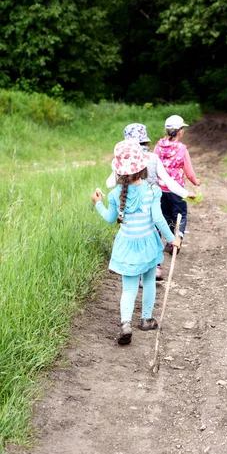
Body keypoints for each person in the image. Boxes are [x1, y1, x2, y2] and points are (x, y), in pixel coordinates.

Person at [92, 139, 181, 346]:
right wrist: (172, 239)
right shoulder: (152, 190)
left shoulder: (115, 195)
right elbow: (158, 219)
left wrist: (98, 204)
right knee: (149, 282)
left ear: (119, 172)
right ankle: (146, 319)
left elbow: (108, 218)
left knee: (129, 289)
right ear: (142, 168)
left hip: (127, 245)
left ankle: (125, 324)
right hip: (148, 244)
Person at [105, 123, 195, 280]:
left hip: (130, 209)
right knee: (153, 236)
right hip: (151, 207)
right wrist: (186, 193)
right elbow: (169, 182)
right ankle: (155, 268)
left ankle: (133, 269)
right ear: (145, 140)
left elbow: (109, 184)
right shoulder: (153, 159)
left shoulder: (124, 161)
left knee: (132, 236)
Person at [154, 114, 201, 251]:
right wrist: (195, 182)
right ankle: (178, 239)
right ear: (180, 131)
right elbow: (189, 171)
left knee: (166, 215)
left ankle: (169, 241)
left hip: (160, 188)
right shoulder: (181, 148)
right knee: (181, 214)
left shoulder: (158, 145)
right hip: (176, 189)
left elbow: (153, 164)